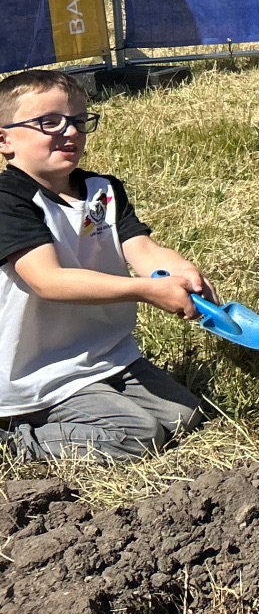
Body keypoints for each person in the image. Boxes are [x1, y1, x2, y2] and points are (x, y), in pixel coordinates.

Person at [0, 71, 208, 461]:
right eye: (49, 122)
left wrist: (182, 271)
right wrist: (145, 291)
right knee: (139, 436)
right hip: (40, 374)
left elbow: (143, 250)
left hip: (106, 353)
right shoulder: (8, 201)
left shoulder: (103, 190)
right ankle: (16, 440)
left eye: (79, 121)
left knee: (186, 417)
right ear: (4, 140)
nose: (70, 132)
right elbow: (48, 281)